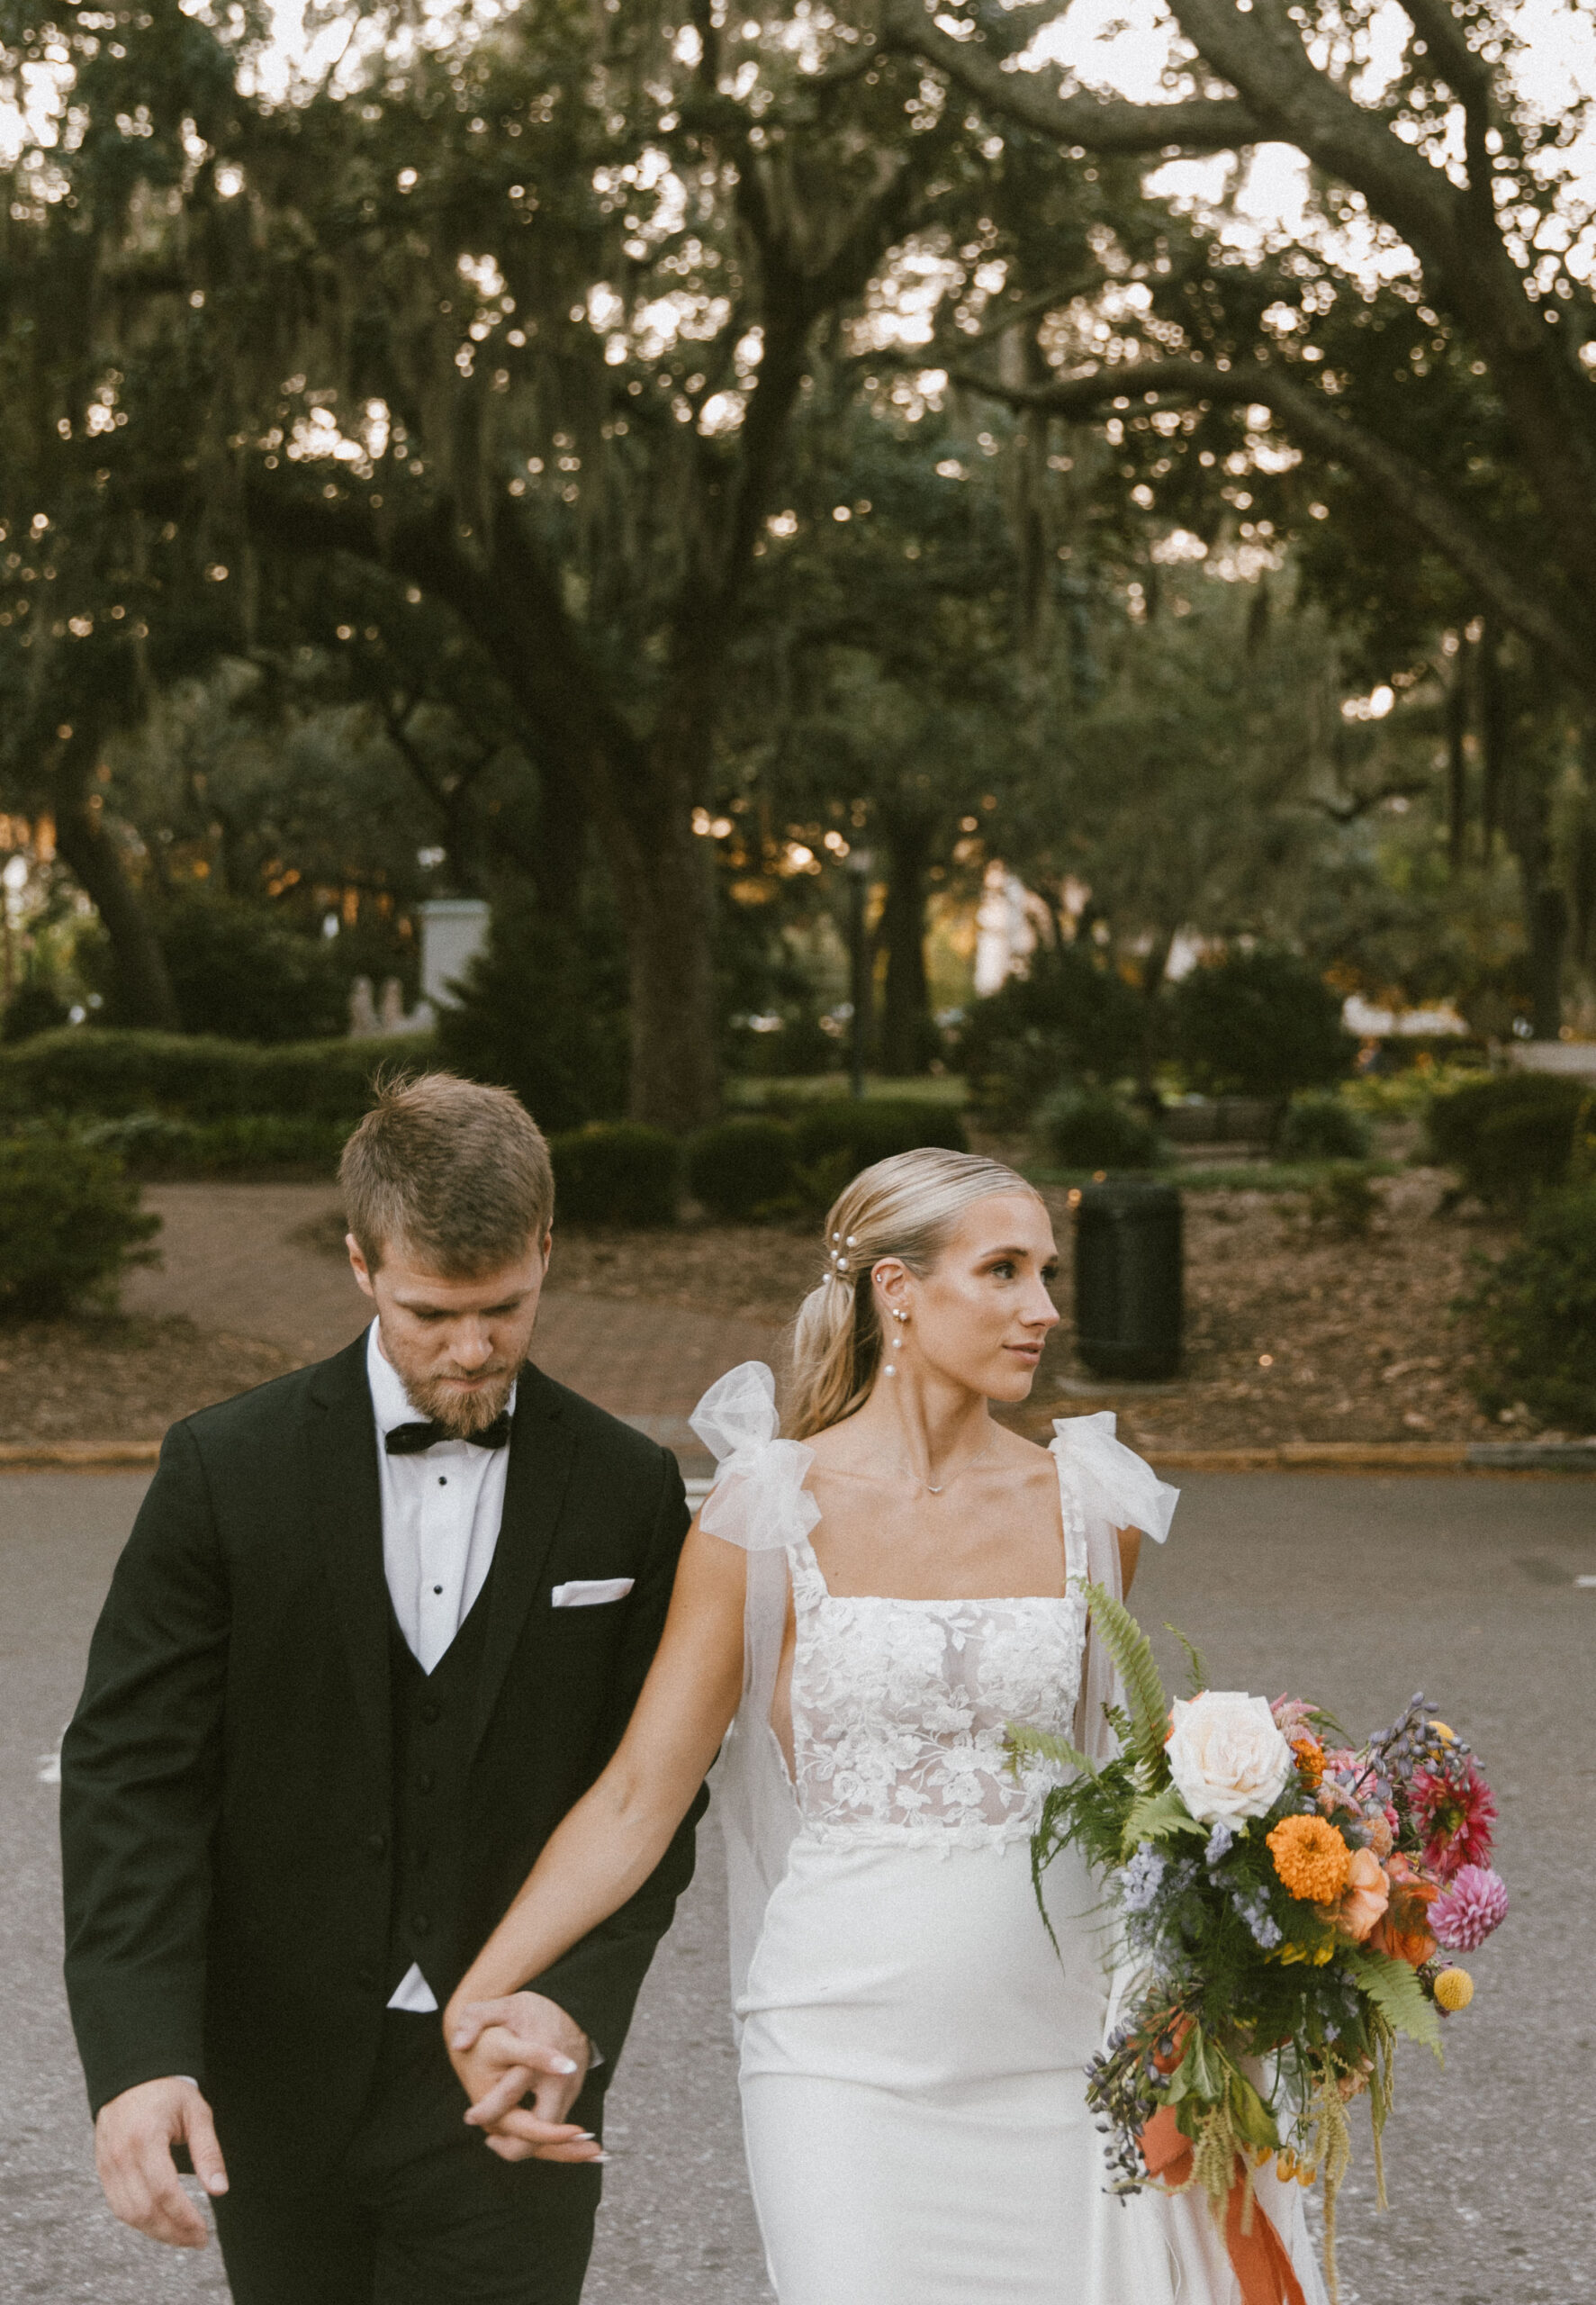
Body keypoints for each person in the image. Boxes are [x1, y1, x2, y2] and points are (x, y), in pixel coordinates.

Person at [446, 1147, 1327, 2303]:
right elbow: (638, 1794)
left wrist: (1278, 1866)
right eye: (1004, 1270)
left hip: (1062, 2051)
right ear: (897, 1291)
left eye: (1045, 1273)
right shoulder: (765, 1511)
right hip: (839, 2056)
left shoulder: (1094, 1504)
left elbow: (1121, 1785)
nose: (1044, 1309)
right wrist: (483, 1986)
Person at [59, 1071, 704, 2305]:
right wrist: (140, 2057)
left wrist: (572, 2008)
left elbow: (651, 1797)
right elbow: (132, 1777)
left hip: (510, 2082)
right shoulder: (224, 1469)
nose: (472, 1349)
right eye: (430, 1313)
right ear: (360, 1265)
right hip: (277, 2075)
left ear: (548, 1251)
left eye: (505, 1308)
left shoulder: (627, 1488)